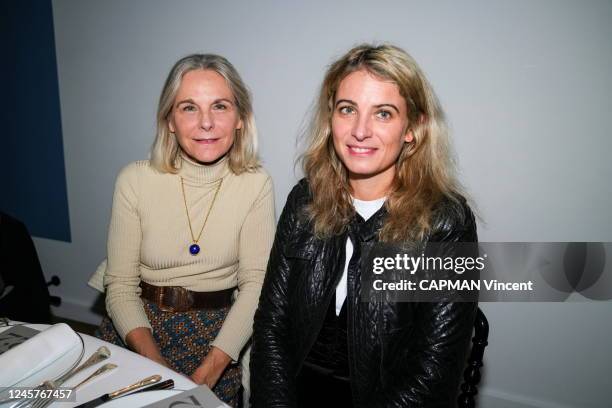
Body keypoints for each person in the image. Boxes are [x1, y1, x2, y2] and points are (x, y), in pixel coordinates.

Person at [250, 44, 478, 407]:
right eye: (347, 109)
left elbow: (434, 375)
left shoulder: (446, 223)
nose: (360, 130)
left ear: (413, 128)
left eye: (383, 113)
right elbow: (271, 327)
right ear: (331, 118)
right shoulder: (303, 201)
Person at [96, 54, 275, 407]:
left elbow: (256, 287)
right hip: (136, 328)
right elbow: (119, 285)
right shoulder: (134, 180)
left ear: (240, 118)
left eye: (220, 106)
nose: (206, 123)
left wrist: (209, 370)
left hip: (215, 339)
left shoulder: (256, 185)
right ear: (170, 121)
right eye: (189, 108)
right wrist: (153, 363)